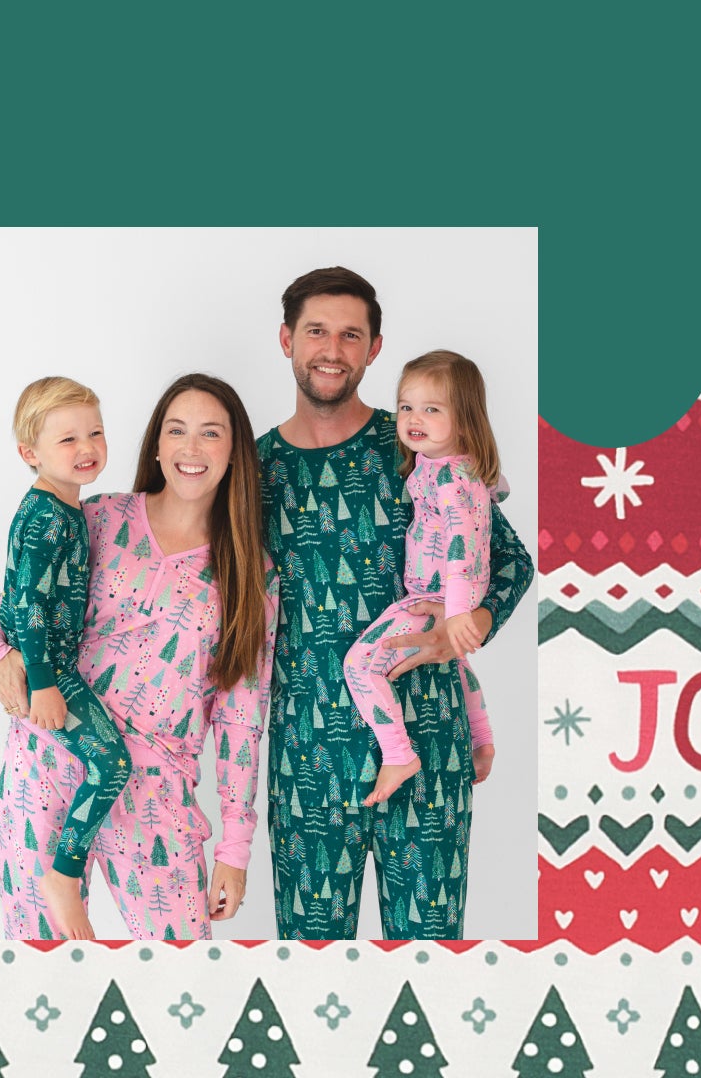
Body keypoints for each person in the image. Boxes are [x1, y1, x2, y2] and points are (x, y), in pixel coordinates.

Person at [257, 266, 533, 939]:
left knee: (430, 968)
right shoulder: (254, 469)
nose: (332, 348)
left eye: (351, 335)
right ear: (286, 339)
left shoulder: (417, 443)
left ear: (374, 348)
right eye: (317, 331)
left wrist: (463, 630)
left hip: (431, 744)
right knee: (310, 975)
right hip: (307, 761)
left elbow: (512, 563)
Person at [0, 374, 276, 940]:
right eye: (177, 431)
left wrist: (235, 848)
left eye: (211, 434)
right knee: (39, 975)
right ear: (157, 444)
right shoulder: (99, 516)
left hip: (157, 792)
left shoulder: (252, 573)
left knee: (181, 981)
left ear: (235, 449)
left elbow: (243, 716)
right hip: (50, 756)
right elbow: (13, 604)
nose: (192, 449)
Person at [0, 377, 131, 940]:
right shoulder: (46, 518)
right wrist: (43, 683)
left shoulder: (68, 509)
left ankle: (63, 873)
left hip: (54, 662)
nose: (86, 448)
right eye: (67, 440)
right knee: (112, 764)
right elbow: (24, 602)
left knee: (108, 763)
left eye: (94, 433)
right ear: (31, 454)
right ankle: (64, 875)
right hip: (46, 668)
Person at [343, 352, 498, 805]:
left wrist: (456, 611)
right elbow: (497, 488)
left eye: (432, 409)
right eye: (407, 406)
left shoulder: (449, 478)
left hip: (436, 593)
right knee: (455, 660)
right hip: (441, 593)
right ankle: (482, 737)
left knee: (359, 664)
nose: (413, 418)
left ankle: (398, 753)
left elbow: (461, 544)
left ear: (464, 421)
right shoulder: (451, 464)